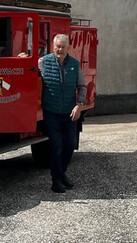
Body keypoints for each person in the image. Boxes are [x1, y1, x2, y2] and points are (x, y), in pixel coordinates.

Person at [38, 33, 87, 193]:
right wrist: (21, 58)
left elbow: (82, 86)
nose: (60, 49)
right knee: (57, 146)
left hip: (69, 112)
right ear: (53, 47)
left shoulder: (74, 64)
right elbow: (30, 74)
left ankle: (62, 173)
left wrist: (79, 106)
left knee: (69, 146)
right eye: (57, 46)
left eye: (63, 46)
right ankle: (56, 181)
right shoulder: (43, 62)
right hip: (51, 112)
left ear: (68, 48)